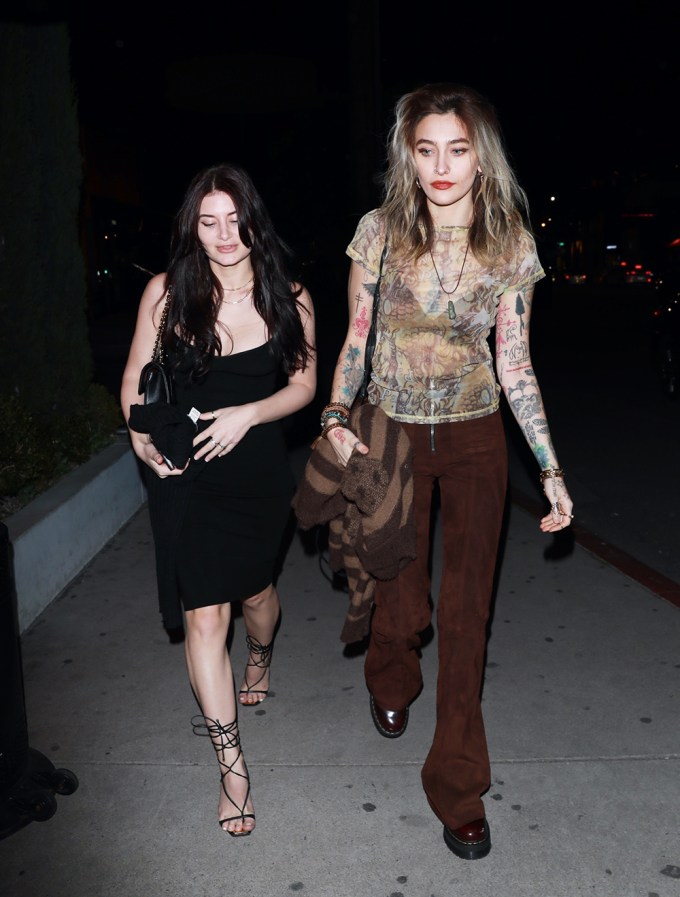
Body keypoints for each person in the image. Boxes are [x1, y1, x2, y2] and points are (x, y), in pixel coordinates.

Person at [315, 83, 573, 860]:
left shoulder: (510, 243)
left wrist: (551, 469)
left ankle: (458, 786)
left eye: (457, 149)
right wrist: (335, 414)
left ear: (480, 157)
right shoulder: (380, 232)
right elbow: (357, 337)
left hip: (474, 439)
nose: (441, 165)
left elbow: (516, 365)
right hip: (390, 437)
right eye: (426, 148)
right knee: (401, 601)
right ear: (408, 154)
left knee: (465, 615)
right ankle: (391, 675)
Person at [120, 163, 316, 836]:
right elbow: (134, 383)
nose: (224, 235)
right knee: (206, 616)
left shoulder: (289, 295)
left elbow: (303, 386)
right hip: (186, 475)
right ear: (192, 228)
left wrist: (249, 414)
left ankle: (261, 653)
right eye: (209, 222)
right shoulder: (165, 293)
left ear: (254, 221)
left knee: (256, 597)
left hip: (257, 474)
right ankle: (233, 768)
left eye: (235, 220)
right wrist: (141, 441)